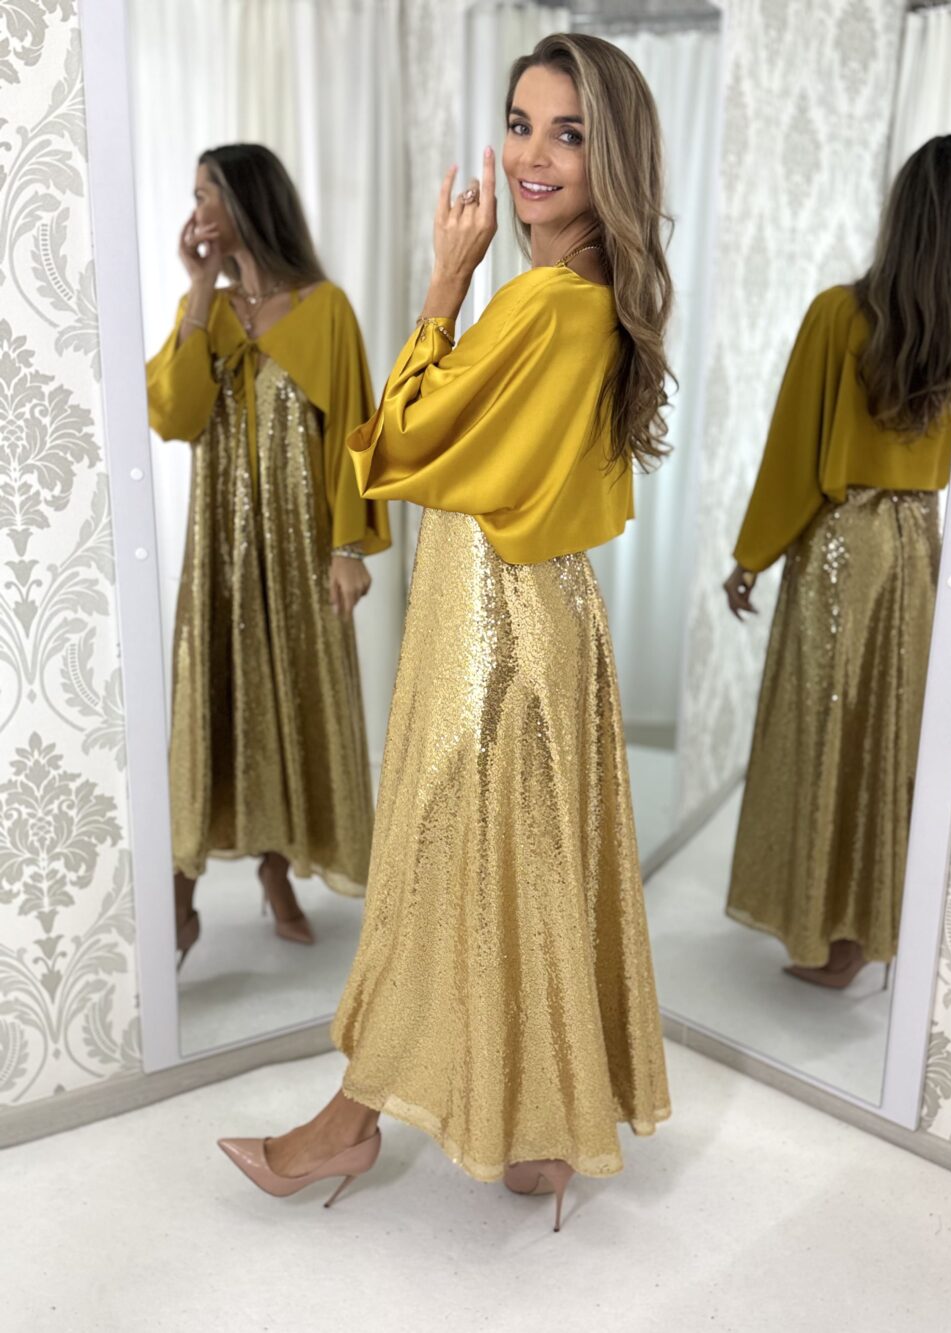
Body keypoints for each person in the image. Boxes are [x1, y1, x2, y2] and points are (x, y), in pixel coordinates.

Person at [218, 33, 672, 1231]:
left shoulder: (546, 306)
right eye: (520, 124)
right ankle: (543, 1133)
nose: (532, 154)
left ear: (614, 156)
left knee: (438, 865)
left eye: (569, 133)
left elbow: (402, 446)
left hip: (496, 635)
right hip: (530, 612)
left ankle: (347, 1123)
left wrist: (443, 279)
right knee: (518, 871)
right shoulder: (586, 297)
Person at [723, 135, 951, 989]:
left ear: (901, 213)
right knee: (887, 737)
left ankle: (822, 927)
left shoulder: (840, 316)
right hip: (920, 549)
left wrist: (751, 557)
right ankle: (866, 932)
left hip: (841, 547)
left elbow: (794, 454)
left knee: (825, 732)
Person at [146, 144, 390, 967]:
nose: (197, 211)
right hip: (217, 559)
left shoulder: (326, 311)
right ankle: (178, 907)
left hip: (301, 557)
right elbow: (175, 417)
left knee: (294, 707)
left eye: (207, 194)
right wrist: (197, 289)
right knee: (210, 712)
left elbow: (356, 435)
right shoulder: (207, 314)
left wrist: (348, 548)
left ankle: (276, 873)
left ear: (247, 201)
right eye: (194, 196)